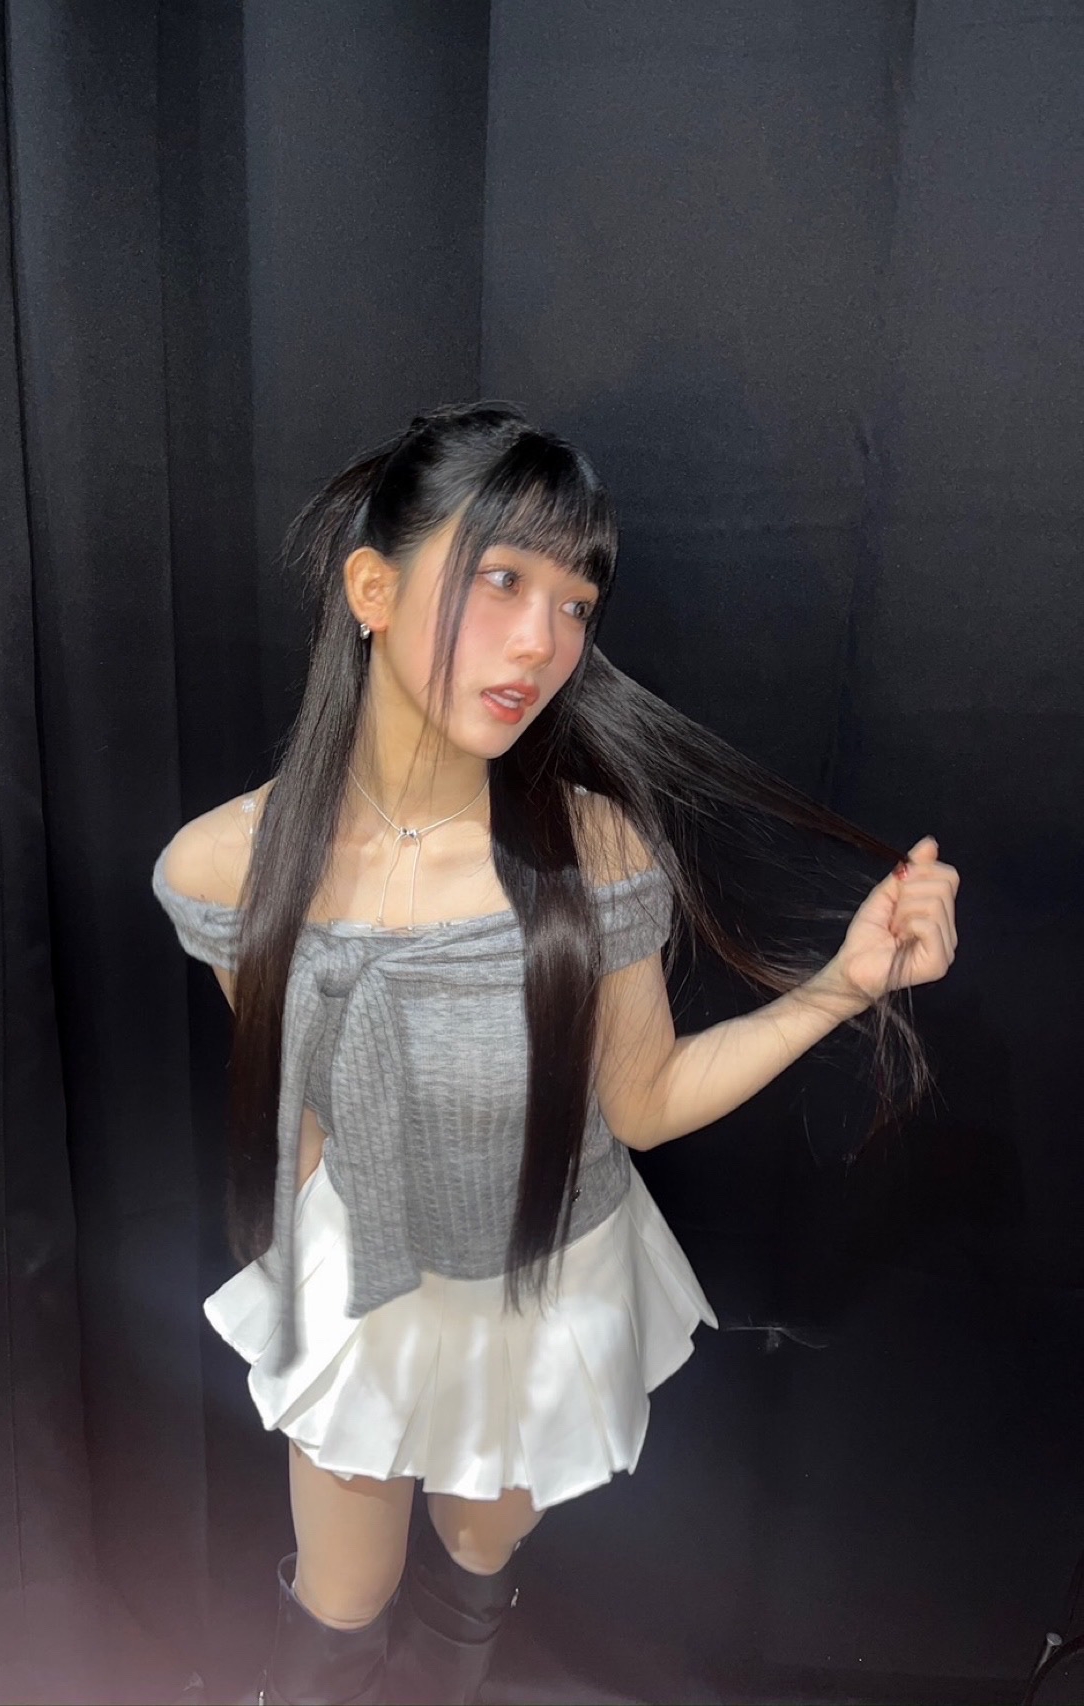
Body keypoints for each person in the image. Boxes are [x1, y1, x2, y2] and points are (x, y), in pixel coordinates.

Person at [152, 401, 960, 1706]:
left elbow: (643, 1100)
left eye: (576, 603)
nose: (544, 640)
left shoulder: (595, 845)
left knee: (478, 1556)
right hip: (368, 1279)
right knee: (342, 1597)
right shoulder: (222, 866)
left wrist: (839, 989)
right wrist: (301, 1280)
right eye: (502, 580)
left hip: (548, 1283)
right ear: (372, 590)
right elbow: (294, 1098)